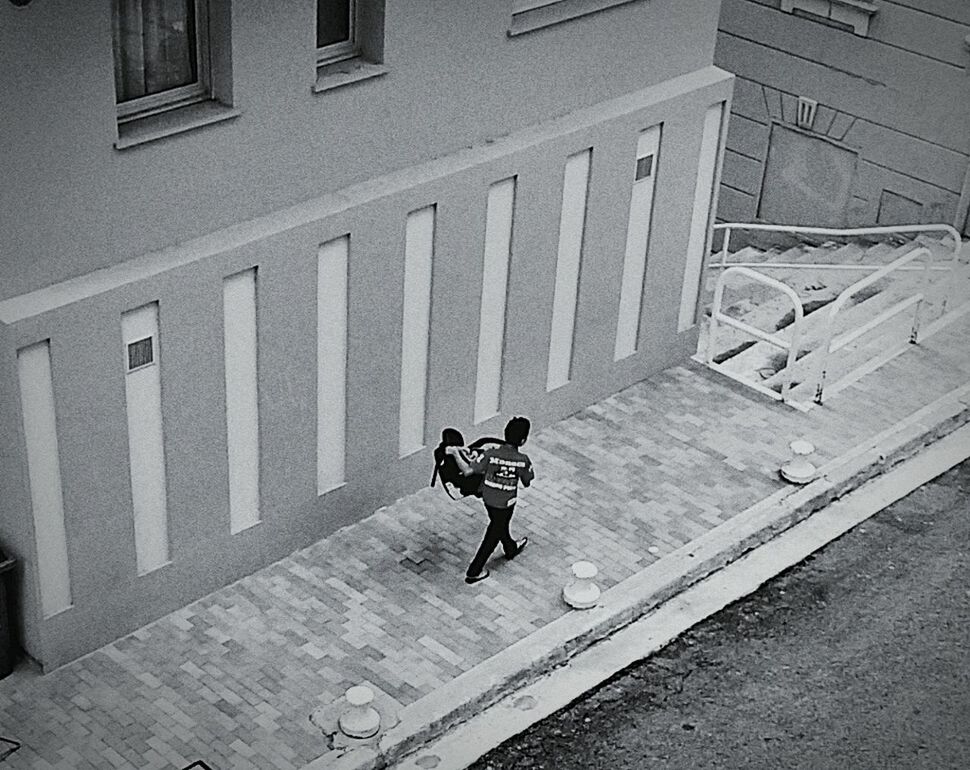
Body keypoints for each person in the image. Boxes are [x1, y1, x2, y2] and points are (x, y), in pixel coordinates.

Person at [447, 416, 535, 584]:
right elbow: (527, 481)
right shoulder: (523, 461)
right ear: (523, 440)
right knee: (493, 535)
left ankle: (510, 547)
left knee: (498, 525)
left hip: (488, 499)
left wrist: (456, 453)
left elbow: (467, 471)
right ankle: (474, 571)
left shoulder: (491, 454)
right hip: (506, 503)